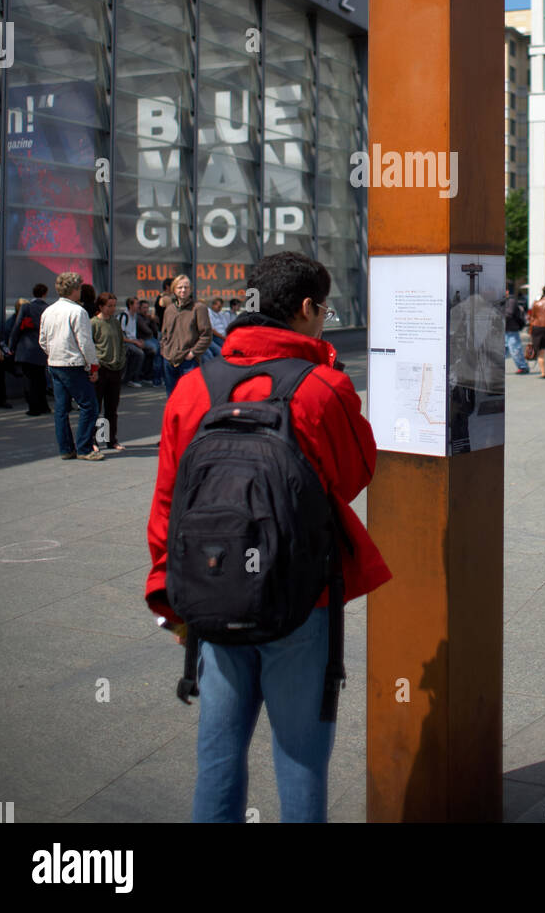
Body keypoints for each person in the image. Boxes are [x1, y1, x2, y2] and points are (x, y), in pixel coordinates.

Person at [144, 251, 392, 823]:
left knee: (217, 752)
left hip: (210, 590)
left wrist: (169, 595)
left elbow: (167, 504)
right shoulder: (320, 389)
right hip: (302, 594)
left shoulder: (192, 390)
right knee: (301, 756)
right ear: (307, 308)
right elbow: (355, 473)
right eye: (324, 309)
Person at [39, 272, 102, 462]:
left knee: (61, 409)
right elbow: (85, 342)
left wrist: (52, 353)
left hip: (55, 362)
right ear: (75, 290)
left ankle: (66, 449)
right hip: (73, 363)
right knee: (89, 405)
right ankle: (83, 447)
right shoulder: (78, 312)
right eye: (80, 288)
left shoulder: (48, 311)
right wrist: (93, 366)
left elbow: (42, 340)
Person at [160, 274, 213, 397]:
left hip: (189, 361)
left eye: (186, 287)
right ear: (174, 289)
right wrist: (164, 351)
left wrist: (193, 353)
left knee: (190, 398)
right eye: (180, 287)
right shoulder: (169, 309)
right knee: (172, 398)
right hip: (169, 359)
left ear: (190, 289)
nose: (183, 290)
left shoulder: (198, 308)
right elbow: (164, 334)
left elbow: (206, 335)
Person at [90, 293, 127, 452]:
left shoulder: (115, 322)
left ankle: (111, 439)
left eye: (114, 305)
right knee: (96, 407)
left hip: (115, 368)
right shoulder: (94, 323)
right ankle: (96, 439)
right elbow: (90, 346)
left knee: (112, 407)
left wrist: (121, 359)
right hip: (101, 368)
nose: (112, 309)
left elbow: (120, 342)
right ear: (100, 306)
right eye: (109, 306)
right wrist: (93, 367)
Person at [8, 282, 51, 415]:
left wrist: (11, 346)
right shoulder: (48, 308)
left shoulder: (27, 307)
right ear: (45, 294)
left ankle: (34, 408)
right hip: (42, 349)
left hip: (27, 348)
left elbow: (17, 327)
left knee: (29, 379)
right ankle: (44, 406)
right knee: (40, 377)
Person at [118, 297, 145, 387]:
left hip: (133, 341)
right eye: (136, 304)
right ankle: (132, 378)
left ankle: (143, 375)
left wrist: (138, 340)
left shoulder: (135, 316)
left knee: (150, 349)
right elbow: (121, 336)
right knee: (139, 354)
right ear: (130, 305)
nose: (138, 306)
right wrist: (135, 342)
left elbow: (133, 333)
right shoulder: (124, 316)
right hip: (125, 342)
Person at [137, 299, 164, 386]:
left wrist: (153, 321)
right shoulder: (139, 317)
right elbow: (147, 331)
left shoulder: (147, 318)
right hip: (143, 339)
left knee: (162, 348)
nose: (146, 310)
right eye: (144, 308)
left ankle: (157, 376)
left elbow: (155, 330)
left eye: (147, 308)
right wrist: (149, 320)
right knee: (157, 349)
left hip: (151, 338)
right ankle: (156, 378)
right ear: (139, 308)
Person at [503, 287, 529, 375]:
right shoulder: (503, 301)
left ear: (507, 291)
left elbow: (509, 314)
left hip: (511, 329)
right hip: (504, 329)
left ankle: (523, 367)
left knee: (515, 350)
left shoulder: (511, 301)